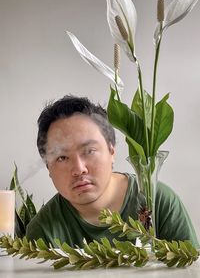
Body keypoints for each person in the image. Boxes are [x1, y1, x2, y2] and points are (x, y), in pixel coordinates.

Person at [26, 95, 199, 248]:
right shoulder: (43, 230)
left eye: (89, 151)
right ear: (48, 167)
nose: (79, 169)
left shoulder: (157, 201)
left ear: (112, 151)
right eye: (62, 158)